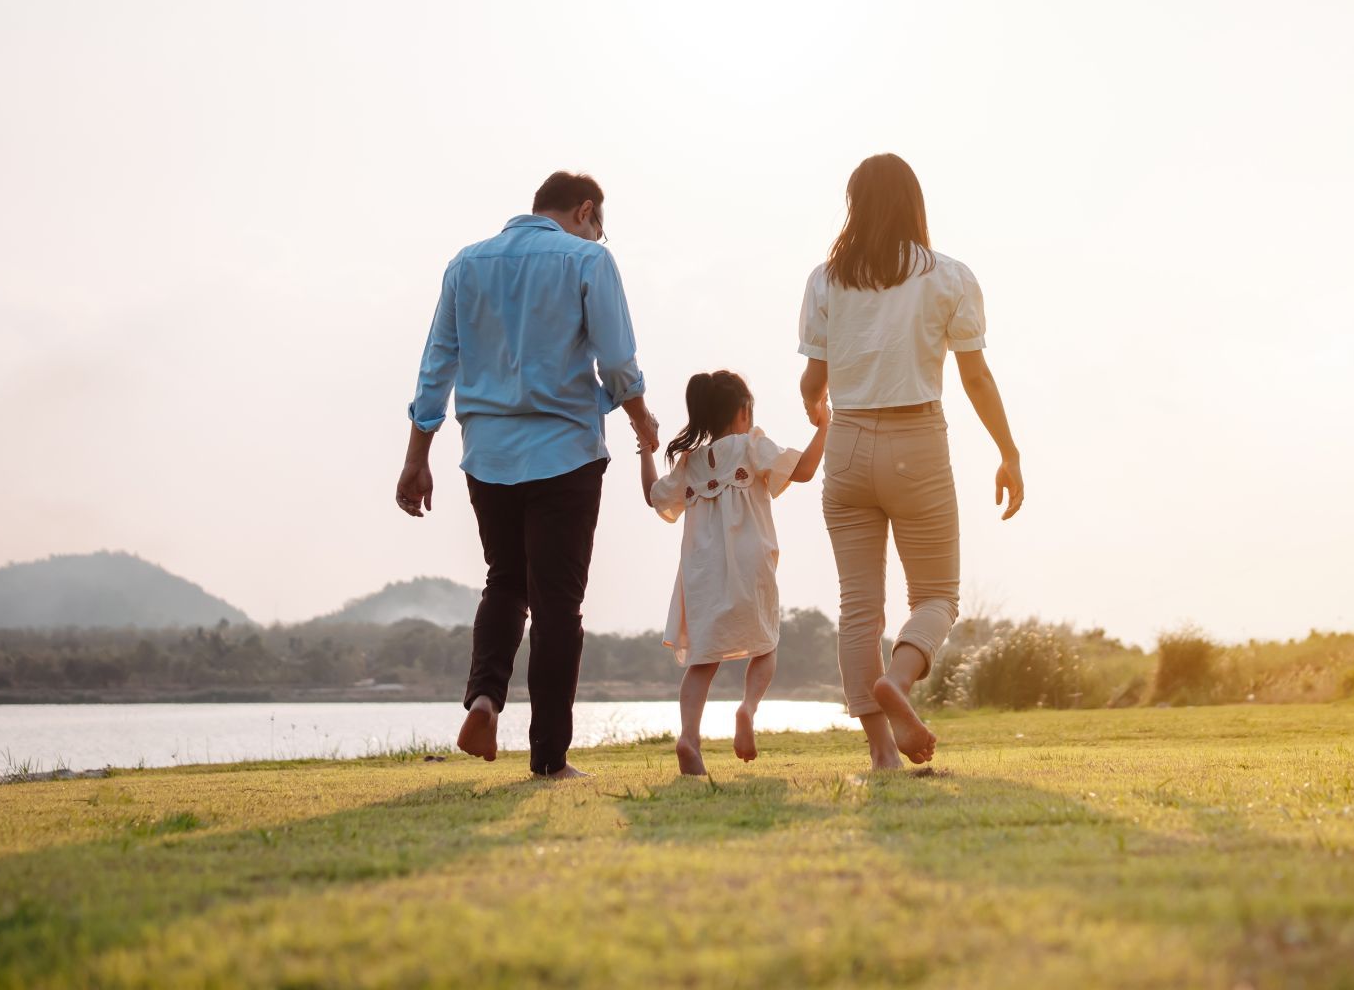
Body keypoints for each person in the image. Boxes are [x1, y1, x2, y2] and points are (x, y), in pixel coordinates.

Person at [394, 170, 659, 778]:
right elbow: (618, 361)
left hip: (487, 455)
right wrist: (642, 418)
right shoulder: (587, 260)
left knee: (505, 582)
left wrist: (417, 456)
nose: (599, 236)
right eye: (600, 227)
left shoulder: (466, 264)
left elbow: (438, 362)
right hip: (565, 451)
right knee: (559, 606)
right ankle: (548, 760)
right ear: (586, 211)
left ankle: (485, 698)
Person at [797, 154, 1025, 770]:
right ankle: (898, 679)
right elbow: (974, 377)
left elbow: (811, 384)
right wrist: (1008, 452)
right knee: (937, 596)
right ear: (914, 204)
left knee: (858, 607)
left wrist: (822, 411)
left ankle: (881, 755)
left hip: (846, 446)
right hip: (916, 441)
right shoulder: (949, 277)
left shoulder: (825, 280)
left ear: (855, 205)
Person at [640, 371, 827, 776]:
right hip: (751, 566)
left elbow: (653, 496)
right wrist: (826, 425)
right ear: (744, 412)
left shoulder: (690, 463)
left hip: (702, 575)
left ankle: (689, 737)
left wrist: (646, 450)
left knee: (702, 662)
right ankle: (747, 708)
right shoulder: (751, 445)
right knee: (765, 646)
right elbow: (806, 470)